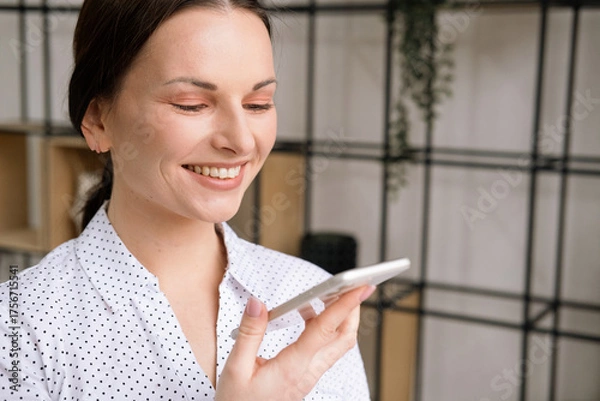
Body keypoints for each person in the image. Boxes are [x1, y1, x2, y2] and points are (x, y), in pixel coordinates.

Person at [0, 0, 374, 399]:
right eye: (191, 105)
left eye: (258, 104)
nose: (242, 141)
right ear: (97, 120)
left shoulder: (308, 297)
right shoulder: (20, 327)